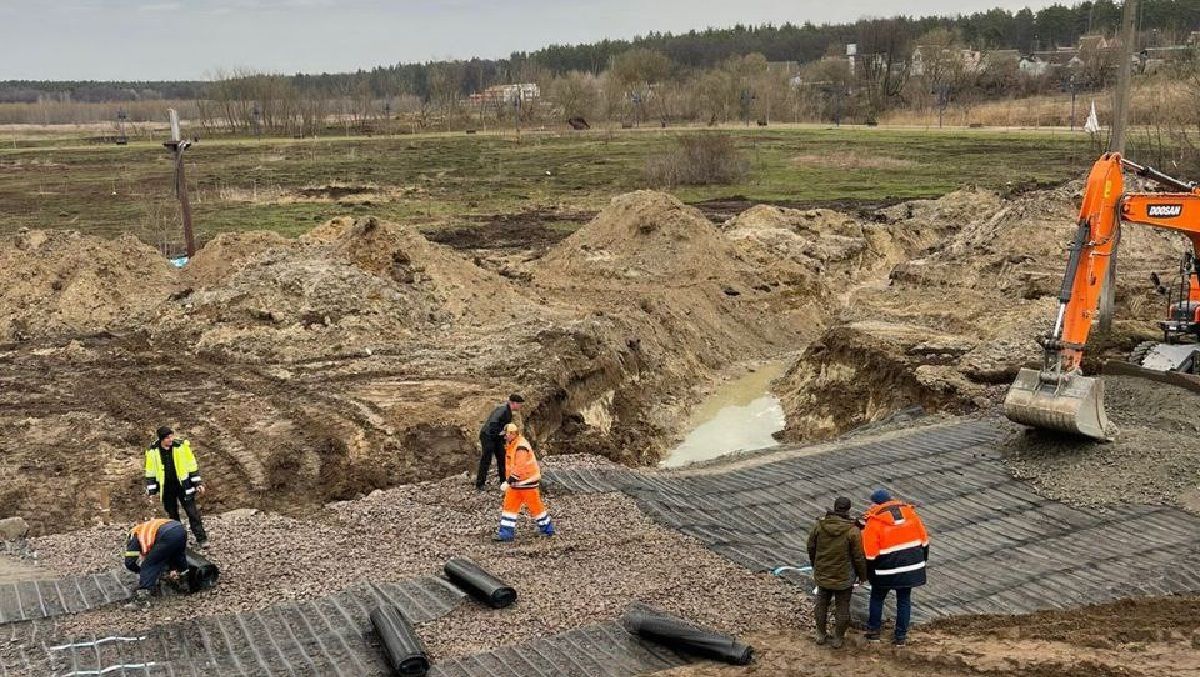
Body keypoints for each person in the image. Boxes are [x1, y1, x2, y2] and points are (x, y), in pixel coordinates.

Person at [861, 488, 929, 646]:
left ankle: (874, 632)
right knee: (904, 600)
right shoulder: (912, 515)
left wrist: (869, 573)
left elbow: (870, 554)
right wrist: (920, 564)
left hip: (885, 570)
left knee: (877, 598)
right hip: (910, 567)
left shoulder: (874, 521)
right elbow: (924, 542)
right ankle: (900, 637)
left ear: (875, 503)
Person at [806, 496, 868, 648]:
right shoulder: (853, 530)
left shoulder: (820, 526)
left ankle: (820, 634)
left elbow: (810, 546)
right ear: (848, 509)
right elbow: (858, 556)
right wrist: (862, 576)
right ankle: (838, 638)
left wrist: (815, 564)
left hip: (823, 573)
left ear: (834, 507)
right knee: (842, 606)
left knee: (821, 604)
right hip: (844, 577)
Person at [144, 426, 208, 547]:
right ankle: (178, 542)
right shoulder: (152, 451)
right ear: (161, 439)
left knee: (193, 513)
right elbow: (150, 472)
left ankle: (202, 539)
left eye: (171, 436)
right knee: (173, 517)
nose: (171, 439)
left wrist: (198, 483)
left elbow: (191, 465)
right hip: (167, 489)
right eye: (168, 438)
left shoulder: (181, 447)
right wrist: (151, 491)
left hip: (184, 487)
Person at [495, 423, 554, 541]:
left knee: (535, 507)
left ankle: (547, 529)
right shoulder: (514, 444)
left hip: (527, 483)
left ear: (512, 434)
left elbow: (520, 467)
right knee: (509, 507)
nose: (504, 437)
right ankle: (506, 533)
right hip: (518, 484)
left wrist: (509, 481)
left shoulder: (520, 446)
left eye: (506, 435)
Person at [123, 518, 188, 606]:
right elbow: (165, 553)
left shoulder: (134, 535)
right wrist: (173, 568)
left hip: (166, 533)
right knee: (177, 556)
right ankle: (185, 577)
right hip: (180, 529)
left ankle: (143, 597)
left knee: (149, 564)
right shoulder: (146, 530)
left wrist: (141, 570)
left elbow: (129, 562)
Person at [476, 394, 524, 490]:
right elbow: (493, 423)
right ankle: (480, 484)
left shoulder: (506, 411)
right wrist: (500, 432)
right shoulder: (503, 411)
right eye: (519, 404)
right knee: (486, 459)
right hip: (488, 436)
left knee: (502, 457)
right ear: (513, 403)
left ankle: (504, 480)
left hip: (496, 437)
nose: (520, 406)